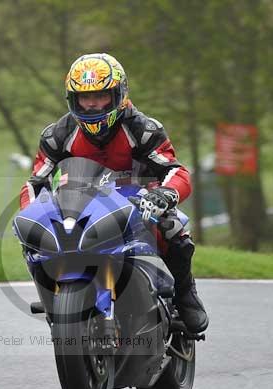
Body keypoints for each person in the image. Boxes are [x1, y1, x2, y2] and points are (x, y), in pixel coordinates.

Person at [19, 53, 208, 334]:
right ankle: (54, 298)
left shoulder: (143, 129)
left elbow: (175, 171)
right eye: (85, 98)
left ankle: (184, 293)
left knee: (173, 226)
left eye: (101, 96)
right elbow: (36, 183)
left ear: (118, 94)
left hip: (139, 202)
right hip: (80, 206)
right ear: (73, 100)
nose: (92, 104)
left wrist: (165, 195)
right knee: (33, 241)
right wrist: (31, 214)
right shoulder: (56, 134)